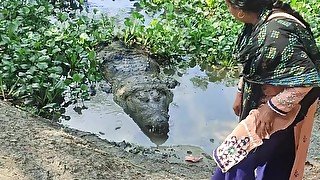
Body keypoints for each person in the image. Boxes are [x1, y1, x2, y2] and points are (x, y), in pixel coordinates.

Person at [211, 0, 320, 179]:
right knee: (276, 158)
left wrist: (270, 109)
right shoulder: (257, 21)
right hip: (270, 101)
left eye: (228, 4)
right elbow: (254, 64)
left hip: (285, 107)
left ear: (239, 12)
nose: (227, 8)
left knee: (236, 157)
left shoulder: (275, 33)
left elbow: (307, 80)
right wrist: (240, 91)